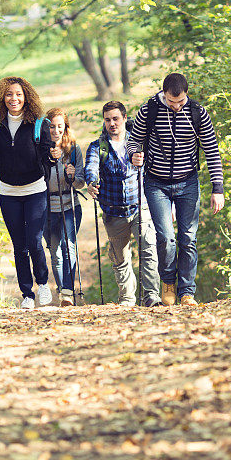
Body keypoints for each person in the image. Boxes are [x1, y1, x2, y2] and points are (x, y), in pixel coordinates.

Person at [127, 72, 224, 307]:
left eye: (181, 102)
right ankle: (168, 283)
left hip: (188, 182)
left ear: (186, 95)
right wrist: (134, 155)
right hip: (156, 183)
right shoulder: (148, 110)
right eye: (172, 102)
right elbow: (133, 140)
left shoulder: (197, 113)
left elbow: (211, 151)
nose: (177, 107)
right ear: (164, 94)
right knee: (166, 238)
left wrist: (217, 187)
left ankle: (187, 292)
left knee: (188, 238)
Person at [0, 76, 53, 310]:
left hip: (35, 189)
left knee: (34, 242)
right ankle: (27, 294)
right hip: (8, 191)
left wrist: (54, 156)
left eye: (18, 94)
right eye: (9, 94)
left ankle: (42, 283)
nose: (14, 99)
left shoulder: (39, 123)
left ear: (26, 96)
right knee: (19, 245)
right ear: (3, 97)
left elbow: (47, 158)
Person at [85, 101, 160, 308]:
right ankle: (127, 299)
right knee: (120, 257)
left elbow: (154, 166)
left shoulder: (138, 143)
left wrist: (143, 162)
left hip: (139, 206)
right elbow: (91, 166)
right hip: (113, 212)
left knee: (149, 249)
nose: (112, 123)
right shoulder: (97, 146)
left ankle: (151, 296)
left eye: (116, 118)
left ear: (125, 119)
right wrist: (92, 182)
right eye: (108, 119)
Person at [44, 107, 85, 307]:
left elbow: (80, 183)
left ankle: (67, 293)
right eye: (52, 126)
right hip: (46, 208)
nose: (56, 130)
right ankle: (63, 291)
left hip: (70, 205)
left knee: (68, 247)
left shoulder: (73, 149)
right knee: (55, 252)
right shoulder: (40, 148)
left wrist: (72, 175)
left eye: (60, 126)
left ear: (65, 127)